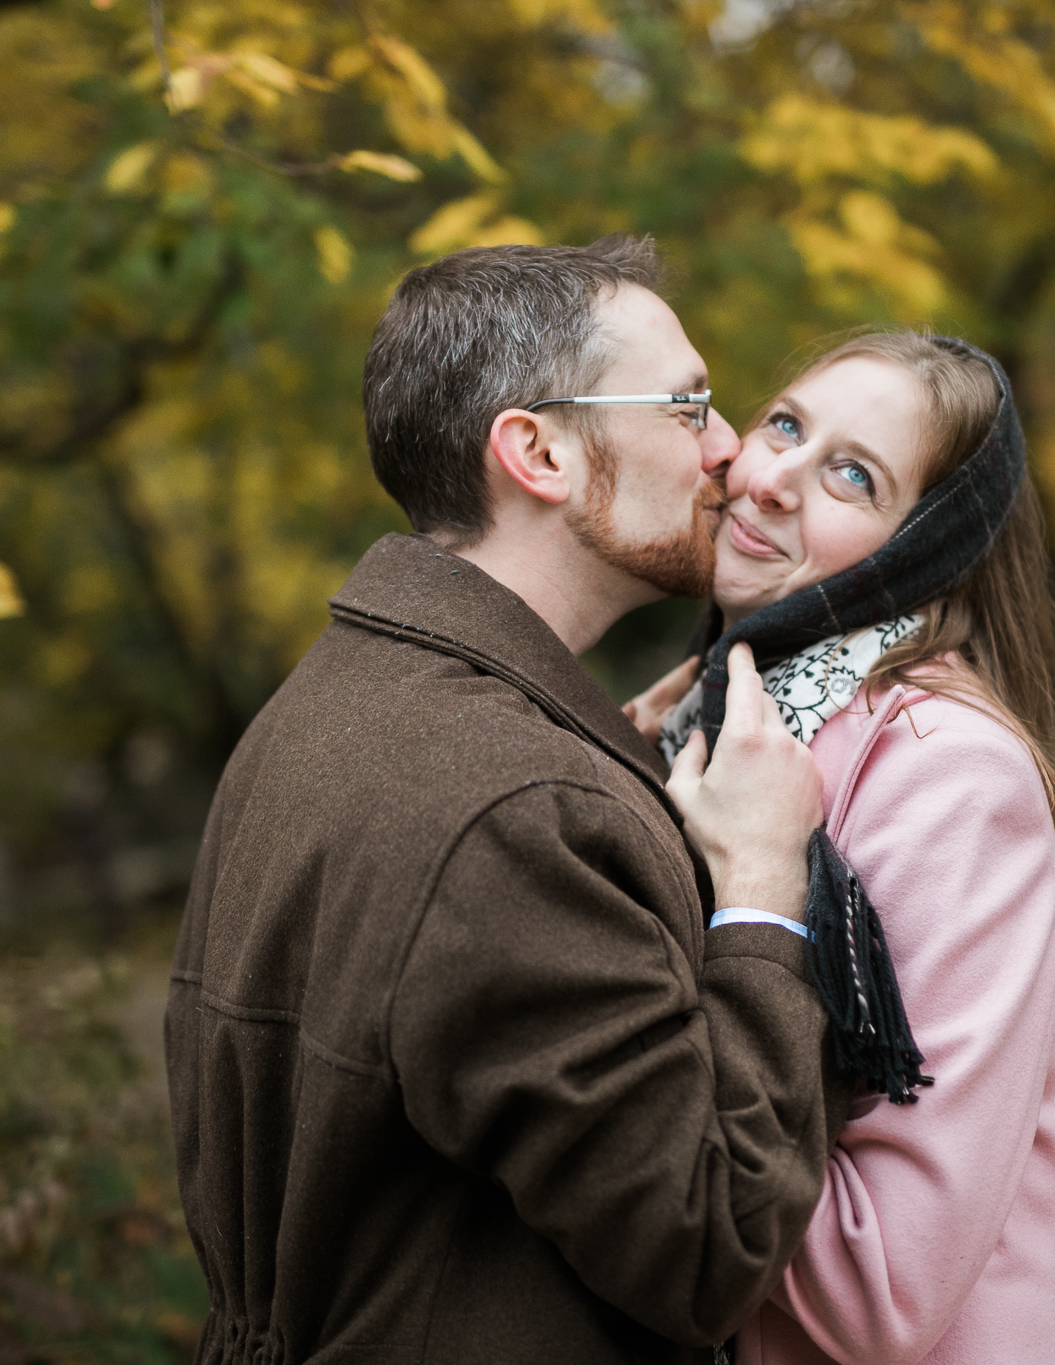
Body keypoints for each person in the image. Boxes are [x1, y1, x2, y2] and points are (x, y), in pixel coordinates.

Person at [163, 236, 857, 1365]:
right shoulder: (518, 805)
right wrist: (765, 886)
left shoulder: (332, 702)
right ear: (536, 450)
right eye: (686, 407)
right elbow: (706, 1245)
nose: (729, 451)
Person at [628, 331, 1055, 1365]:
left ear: (923, 546)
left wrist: (621, 1100)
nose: (766, 481)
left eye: (851, 477)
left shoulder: (949, 778)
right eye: (784, 427)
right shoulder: (708, 720)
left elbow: (881, 1288)